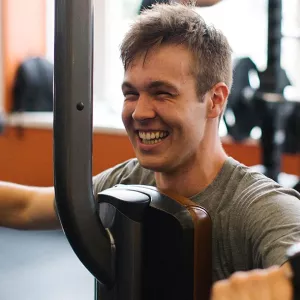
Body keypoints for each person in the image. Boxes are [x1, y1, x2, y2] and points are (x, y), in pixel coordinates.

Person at [0, 2, 300, 299]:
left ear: (215, 99)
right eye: (131, 93)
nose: (140, 112)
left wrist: (288, 284)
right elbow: (26, 207)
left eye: (162, 93)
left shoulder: (259, 206)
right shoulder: (133, 180)